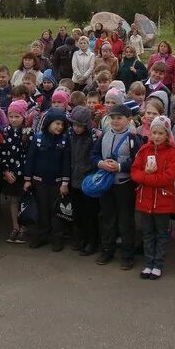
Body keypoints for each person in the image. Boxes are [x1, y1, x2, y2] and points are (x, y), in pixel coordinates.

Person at [132, 115, 175, 280]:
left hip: (163, 200)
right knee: (147, 233)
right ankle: (148, 263)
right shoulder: (144, 150)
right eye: (154, 132)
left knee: (161, 233)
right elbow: (135, 172)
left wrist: (147, 178)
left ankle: (158, 264)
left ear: (167, 134)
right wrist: (146, 176)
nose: (157, 136)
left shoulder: (173, 153)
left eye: (161, 133)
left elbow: (168, 177)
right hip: (144, 199)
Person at [92, 103, 141, 269]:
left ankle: (127, 255)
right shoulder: (104, 134)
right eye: (112, 118)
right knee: (107, 217)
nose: (115, 121)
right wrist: (100, 163)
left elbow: (137, 161)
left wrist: (120, 167)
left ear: (128, 120)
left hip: (124, 184)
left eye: (119, 118)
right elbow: (94, 154)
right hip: (106, 184)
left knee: (125, 220)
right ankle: (107, 250)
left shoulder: (132, 138)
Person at [23, 107, 70, 251]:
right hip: (39, 181)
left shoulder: (64, 141)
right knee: (42, 210)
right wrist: (27, 179)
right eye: (57, 123)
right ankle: (42, 236)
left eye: (62, 124)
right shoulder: (37, 138)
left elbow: (66, 163)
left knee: (56, 211)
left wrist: (64, 183)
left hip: (56, 183)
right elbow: (30, 159)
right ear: (48, 122)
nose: (59, 127)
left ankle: (57, 238)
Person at [0, 99, 32, 245]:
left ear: (23, 116)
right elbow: (0, 153)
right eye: (11, 116)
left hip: (23, 174)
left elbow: (29, 156)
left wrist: (24, 175)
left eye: (17, 116)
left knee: (24, 201)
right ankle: (15, 227)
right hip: (9, 174)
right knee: (13, 200)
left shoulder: (28, 133)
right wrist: (5, 171)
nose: (13, 119)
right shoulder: (5, 132)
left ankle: (24, 227)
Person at [69, 106, 99, 256]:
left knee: (90, 214)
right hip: (74, 179)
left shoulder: (93, 137)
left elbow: (95, 157)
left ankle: (91, 241)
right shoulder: (70, 136)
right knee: (77, 212)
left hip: (88, 180)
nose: (76, 128)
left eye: (80, 125)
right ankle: (80, 238)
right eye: (74, 125)